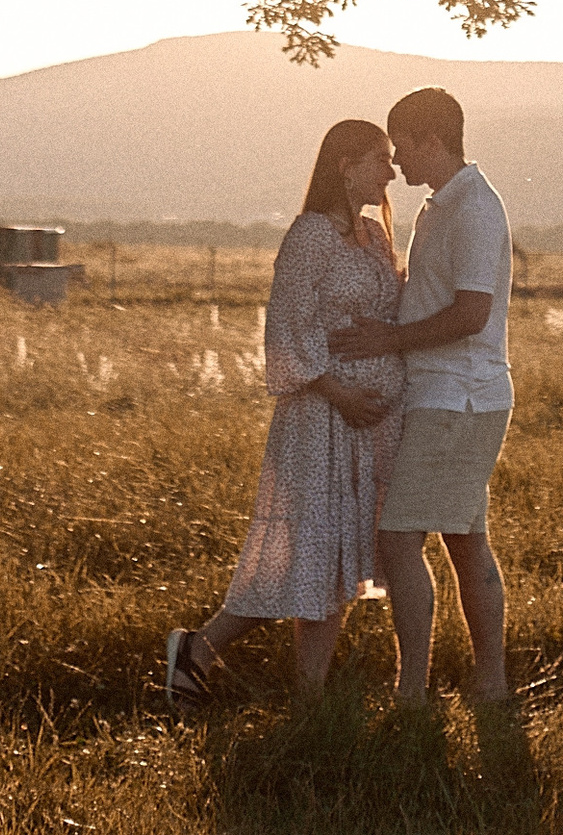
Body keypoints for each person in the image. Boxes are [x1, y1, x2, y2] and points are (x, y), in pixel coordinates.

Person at [164, 117, 403, 705]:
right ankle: (285, 687)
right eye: (379, 158)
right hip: (320, 421)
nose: (391, 172)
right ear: (344, 165)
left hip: (370, 429)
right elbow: (286, 331)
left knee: (338, 557)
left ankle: (220, 660)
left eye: (393, 159)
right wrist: (342, 393)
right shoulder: (309, 236)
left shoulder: (375, 236)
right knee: (316, 554)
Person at [331, 84, 513, 704]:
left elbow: (470, 314)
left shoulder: (475, 210)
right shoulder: (444, 204)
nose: (396, 161)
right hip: (454, 396)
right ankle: (489, 687)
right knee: (465, 541)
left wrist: (390, 339)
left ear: (433, 141)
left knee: (399, 541)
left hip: (456, 397)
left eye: (403, 147)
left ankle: (413, 693)